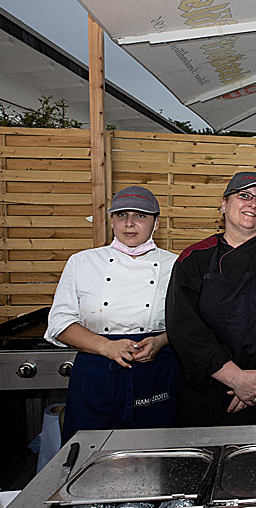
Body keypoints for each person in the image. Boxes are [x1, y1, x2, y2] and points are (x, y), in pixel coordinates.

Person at [165, 172, 256, 426]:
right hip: (210, 390)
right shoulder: (193, 259)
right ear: (223, 204)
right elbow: (183, 325)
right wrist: (234, 378)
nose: (253, 204)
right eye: (244, 195)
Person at [46, 185, 179, 443]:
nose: (129, 224)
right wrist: (107, 347)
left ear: (157, 223)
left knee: (156, 454)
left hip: (154, 370)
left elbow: (189, 323)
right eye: (121, 215)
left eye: (140, 216)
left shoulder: (176, 265)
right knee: (88, 454)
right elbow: (60, 323)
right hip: (97, 372)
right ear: (111, 221)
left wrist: (161, 341)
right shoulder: (82, 262)